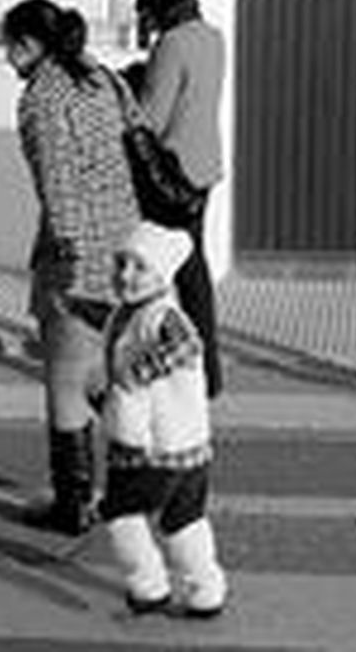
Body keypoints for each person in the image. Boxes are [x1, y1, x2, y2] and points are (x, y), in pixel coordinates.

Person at [3, 0, 138, 535]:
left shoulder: (43, 98)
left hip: (77, 249)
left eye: (11, 47)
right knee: (100, 370)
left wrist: (66, 256)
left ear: (30, 45)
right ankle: (142, 468)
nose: (7, 59)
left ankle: (74, 503)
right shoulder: (103, 78)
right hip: (125, 241)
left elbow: (57, 184)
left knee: (65, 378)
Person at [96, 221, 228, 619]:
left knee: (121, 514)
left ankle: (149, 585)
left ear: (163, 276)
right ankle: (206, 590)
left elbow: (188, 345)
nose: (126, 275)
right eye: (121, 264)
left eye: (140, 267)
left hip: (151, 447)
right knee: (183, 521)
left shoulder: (163, 316)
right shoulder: (129, 313)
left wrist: (136, 375)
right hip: (187, 447)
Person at [132, 0, 226, 399]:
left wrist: (135, 88)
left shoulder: (171, 45)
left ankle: (166, 360)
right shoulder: (212, 37)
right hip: (204, 165)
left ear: (160, 10)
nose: (148, 26)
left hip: (172, 170)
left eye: (148, 16)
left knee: (155, 265)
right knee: (192, 266)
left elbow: (152, 116)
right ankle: (208, 371)